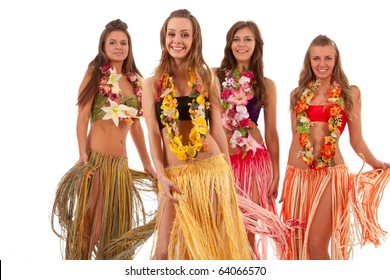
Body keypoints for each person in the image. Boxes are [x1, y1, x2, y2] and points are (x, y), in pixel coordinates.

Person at [142, 9, 253, 260]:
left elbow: (217, 130)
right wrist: (161, 176)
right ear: (164, 38)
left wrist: (228, 176)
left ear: (195, 40)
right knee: (163, 254)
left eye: (185, 34)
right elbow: (152, 134)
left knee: (209, 248)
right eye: (172, 34)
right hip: (174, 175)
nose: (177, 40)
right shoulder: (152, 84)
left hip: (210, 171)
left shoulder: (206, 78)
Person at [50, 19, 157, 260]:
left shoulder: (134, 81)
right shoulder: (95, 73)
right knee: (92, 227)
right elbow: (82, 115)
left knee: (117, 229)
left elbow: (136, 127)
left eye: (124, 43)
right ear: (103, 46)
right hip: (97, 162)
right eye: (113, 42)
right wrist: (82, 154)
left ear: (129, 47)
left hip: (120, 166)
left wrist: (147, 163)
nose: (119, 47)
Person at [279, 34, 390, 260]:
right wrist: (286, 181)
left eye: (328, 58)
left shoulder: (349, 93)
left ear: (336, 61)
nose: (322, 64)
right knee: (299, 248)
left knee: (316, 244)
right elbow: (294, 140)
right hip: (299, 177)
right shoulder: (297, 95)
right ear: (309, 61)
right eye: (316, 58)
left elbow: (356, 140)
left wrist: (376, 163)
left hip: (332, 175)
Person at [216, 21, 283, 260]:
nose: (241, 44)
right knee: (223, 230)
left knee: (247, 233)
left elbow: (272, 132)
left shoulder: (266, 85)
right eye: (236, 39)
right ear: (229, 43)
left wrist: (276, 172)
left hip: (255, 164)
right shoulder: (215, 77)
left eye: (248, 39)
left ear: (257, 45)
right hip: (223, 163)